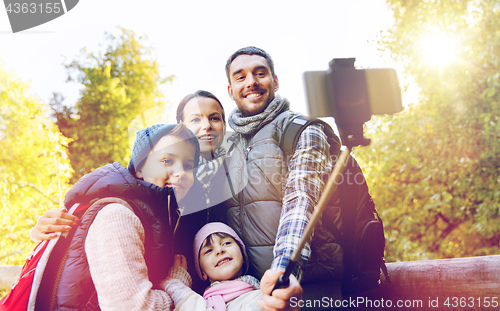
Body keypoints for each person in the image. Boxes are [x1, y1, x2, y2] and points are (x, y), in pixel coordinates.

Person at [223, 46, 343, 310]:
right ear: (230, 91)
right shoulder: (224, 147)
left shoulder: (301, 128)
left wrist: (285, 269)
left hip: (312, 289)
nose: (251, 82)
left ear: (274, 81)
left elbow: (302, 198)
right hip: (251, 295)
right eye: (240, 77)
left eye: (260, 73)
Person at [45, 123, 206, 310]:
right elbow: (133, 307)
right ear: (139, 168)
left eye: (188, 165)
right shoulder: (118, 216)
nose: (180, 173)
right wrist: (178, 284)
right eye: (167, 161)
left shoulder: (167, 217)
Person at [161, 222, 261, 311]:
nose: (219, 250)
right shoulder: (204, 301)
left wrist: (179, 290)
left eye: (226, 243)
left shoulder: (260, 298)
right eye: (209, 251)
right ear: (203, 273)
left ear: (243, 257)